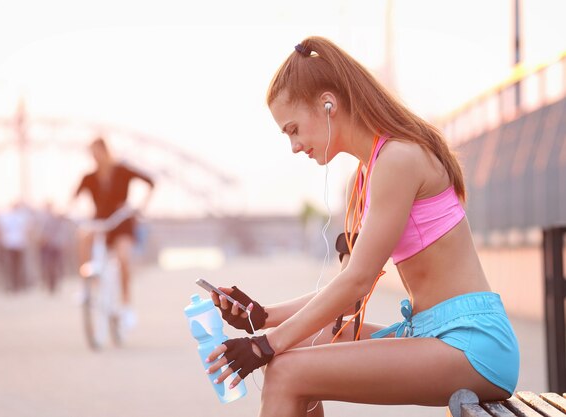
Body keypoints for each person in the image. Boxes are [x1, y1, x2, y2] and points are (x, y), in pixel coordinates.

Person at [206, 36, 520, 417]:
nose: (293, 145)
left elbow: (356, 280)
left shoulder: (398, 158)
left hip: (472, 343)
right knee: (295, 351)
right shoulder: (366, 175)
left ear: (328, 104)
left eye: (293, 129)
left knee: (287, 369)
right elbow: (351, 294)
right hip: (428, 333)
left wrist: (264, 344)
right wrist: (262, 316)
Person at [70, 137, 155, 330]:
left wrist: (141, 207)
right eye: (91, 154)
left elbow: (150, 182)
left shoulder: (122, 171)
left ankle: (126, 305)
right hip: (100, 222)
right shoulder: (89, 177)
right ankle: (88, 287)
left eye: (97, 152)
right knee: (83, 237)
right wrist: (70, 210)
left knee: (123, 258)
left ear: (105, 151)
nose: (95, 157)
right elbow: (74, 197)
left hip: (121, 223)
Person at [0, 201, 33, 292]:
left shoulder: (4, 217)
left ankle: (12, 285)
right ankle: (16, 285)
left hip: (8, 244)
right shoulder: (22, 217)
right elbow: (28, 230)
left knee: (10, 266)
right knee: (17, 266)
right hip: (18, 244)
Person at [37, 201, 67, 294]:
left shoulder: (48, 219)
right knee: (52, 266)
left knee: (52, 266)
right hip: (52, 246)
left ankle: (53, 284)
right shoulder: (50, 219)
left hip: (52, 246)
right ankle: (52, 284)